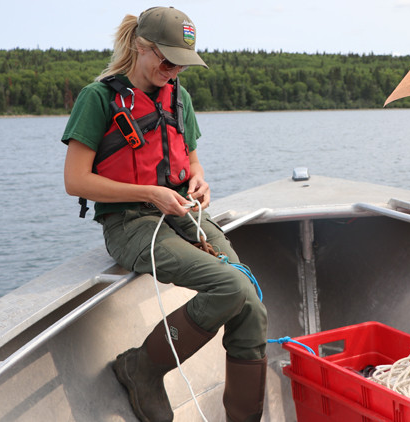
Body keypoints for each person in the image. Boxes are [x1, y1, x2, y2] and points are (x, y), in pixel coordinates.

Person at [61, 7, 268, 422]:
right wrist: (150, 194)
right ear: (141, 47)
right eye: (166, 59)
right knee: (229, 287)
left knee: (250, 304)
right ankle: (141, 369)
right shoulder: (98, 98)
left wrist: (199, 182)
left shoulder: (180, 97)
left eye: (181, 64)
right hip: (129, 224)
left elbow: (193, 162)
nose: (173, 71)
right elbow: (75, 181)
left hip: (180, 213)